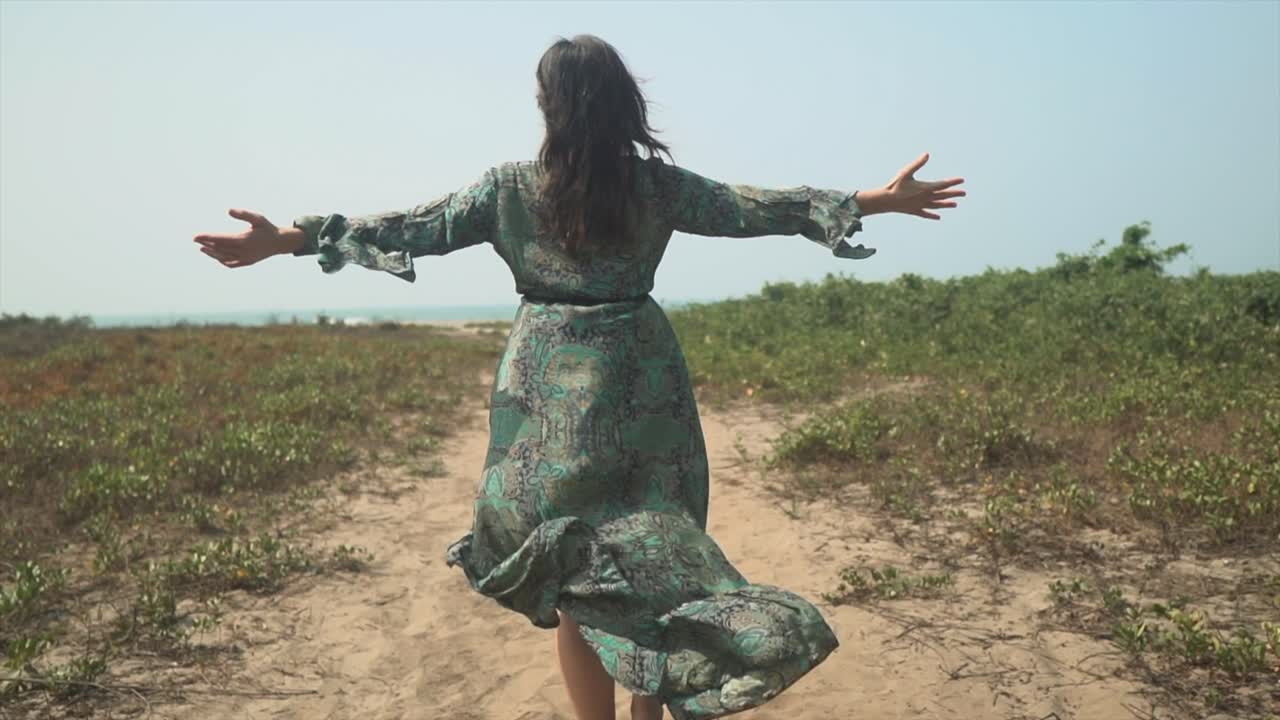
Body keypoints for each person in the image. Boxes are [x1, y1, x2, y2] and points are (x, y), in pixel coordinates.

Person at [194, 34, 964, 720]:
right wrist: (872, 201)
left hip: (546, 389)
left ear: (548, 106)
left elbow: (408, 228)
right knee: (656, 559)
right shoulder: (654, 186)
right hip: (644, 382)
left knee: (578, 579)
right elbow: (751, 208)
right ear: (624, 104)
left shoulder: (507, 189)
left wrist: (291, 239)